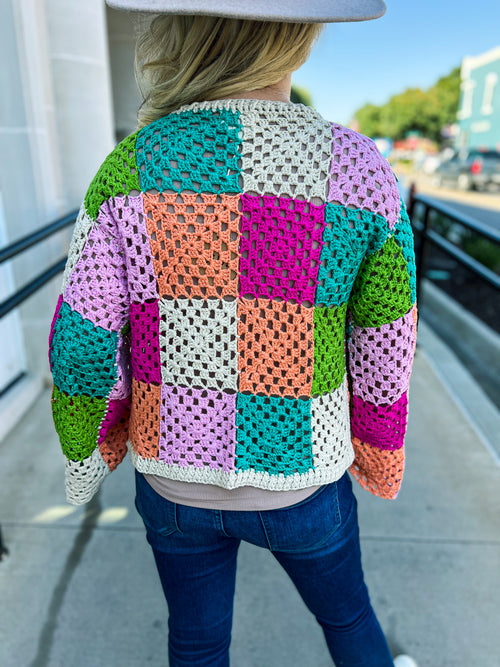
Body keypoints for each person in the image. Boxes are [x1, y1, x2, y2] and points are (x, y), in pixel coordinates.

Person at [48, 1, 419, 665]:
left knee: (196, 644)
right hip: (306, 481)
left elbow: (82, 342)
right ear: (300, 35)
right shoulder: (361, 172)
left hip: (171, 481)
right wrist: (377, 448)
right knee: (350, 619)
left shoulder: (130, 167)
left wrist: (94, 446)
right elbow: (386, 346)